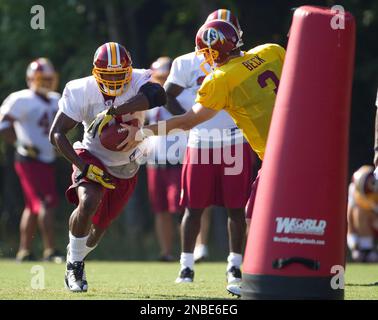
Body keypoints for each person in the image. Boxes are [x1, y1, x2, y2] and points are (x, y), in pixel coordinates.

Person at [103, 19, 285, 297]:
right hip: (296, 147)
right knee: (274, 214)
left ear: (213, 53)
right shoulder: (270, 51)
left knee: (253, 217)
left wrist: (143, 132)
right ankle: (299, 273)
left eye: (206, 52)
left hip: (272, 156)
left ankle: (262, 279)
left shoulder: (220, 78)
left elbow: (188, 121)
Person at [49, 42, 166, 292]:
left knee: (98, 230)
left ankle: (76, 251)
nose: (114, 81)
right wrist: (82, 166)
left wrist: (114, 111)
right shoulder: (81, 89)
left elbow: (159, 95)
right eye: (108, 76)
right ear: (95, 73)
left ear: (129, 71)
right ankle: (74, 266)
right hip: (91, 153)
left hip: (127, 162)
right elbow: (56, 134)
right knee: (89, 201)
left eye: (119, 75)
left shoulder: (139, 79)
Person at [163, 9, 256, 290]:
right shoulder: (187, 62)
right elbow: (167, 95)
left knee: (236, 208)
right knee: (194, 207)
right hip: (201, 143)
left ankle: (234, 266)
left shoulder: (247, 62)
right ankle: (187, 265)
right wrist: (190, 120)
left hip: (235, 141)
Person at [0, 58, 61, 262]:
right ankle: (50, 250)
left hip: (48, 158)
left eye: (48, 79)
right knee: (46, 202)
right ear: (30, 79)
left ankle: (24, 251)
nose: (44, 82)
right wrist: (19, 145)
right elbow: (3, 125)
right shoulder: (21, 99)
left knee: (33, 206)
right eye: (40, 79)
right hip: (29, 158)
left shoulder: (56, 99)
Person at [146, 57, 187, 261]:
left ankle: (186, 252)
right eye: (159, 78)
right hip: (155, 161)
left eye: (166, 78)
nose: (162, 82)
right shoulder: (146, 99)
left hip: (178, 160)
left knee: (179, 209)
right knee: (160, 209)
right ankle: (166, 253)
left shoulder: (183, 96)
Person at [347, 165, 378, 262]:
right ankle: (366, 248)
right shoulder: (353, 191)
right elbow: (350, 218)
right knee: (359, 212)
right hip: (367, 230)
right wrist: (353, 242)